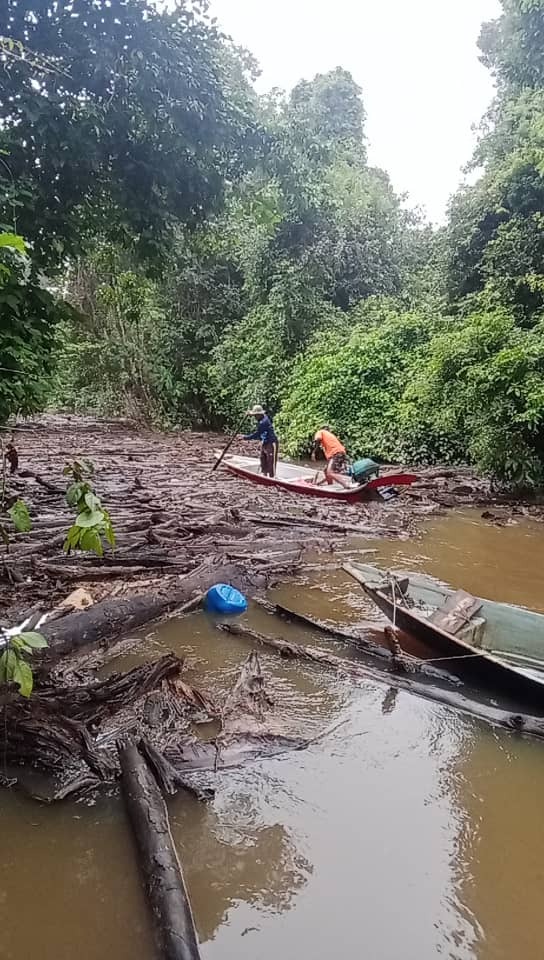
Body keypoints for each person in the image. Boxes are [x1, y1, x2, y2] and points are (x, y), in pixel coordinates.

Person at [242, 404, 279, 478]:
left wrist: (245, 438)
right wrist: (250, 414)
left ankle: (272, 477)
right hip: (264, 442)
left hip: (271, 443)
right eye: (254, 415)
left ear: (260, 414)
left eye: (256, 415)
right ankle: (264, 475)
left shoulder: (264, 422)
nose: (255, 417)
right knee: (262, 458)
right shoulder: (262, 417)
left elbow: (257, 434)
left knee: (271, 461)